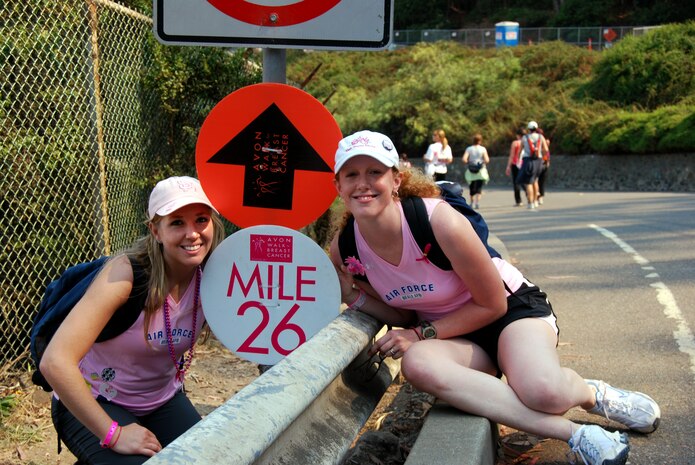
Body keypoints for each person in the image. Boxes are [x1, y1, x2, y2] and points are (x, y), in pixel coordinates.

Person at [329, 130, 661, 465]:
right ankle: (578, 435)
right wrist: (350, 294)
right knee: (417, 363)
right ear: (338, 186)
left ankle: (592, 394)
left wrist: (419, 334)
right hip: (457, 337)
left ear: (396, 180)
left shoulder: (437, 220)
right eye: (352, 175)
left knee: (544, 392)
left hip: (510, 313)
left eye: (375, 172)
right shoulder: (345, 249)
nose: (363, 184)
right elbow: (400, 314)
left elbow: (493, 304)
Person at [40, 176, 226, 464]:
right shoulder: (126, 275)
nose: (192, 234)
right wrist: (114, 434)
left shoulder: (216, 277)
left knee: (211, 458)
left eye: (201, 219)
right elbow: (55, 361)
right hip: (97, 401)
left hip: (162, 400)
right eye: (177, 222)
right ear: (156, 231)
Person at [516, 121, 547, 209]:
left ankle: (530, 202)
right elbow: (545, 149)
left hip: (528, 160)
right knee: (535, 180)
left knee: (528, 182)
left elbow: (520, 150)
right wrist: (544, 158)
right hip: (538, 160)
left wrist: (518, 159)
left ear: (528, 129)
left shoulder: (525, 137)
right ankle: (536, 201)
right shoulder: (541, 137)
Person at [462, 133, 490, 209]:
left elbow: (464, 159)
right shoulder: (483, 149)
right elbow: (487, 160)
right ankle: (477, 203)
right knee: (479, 187)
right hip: (480, 170)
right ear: (480, 141)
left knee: (472, 187)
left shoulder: (469, 149)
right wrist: (482, 162)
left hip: (471, 170)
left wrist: (469, 162)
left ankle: (471, 202)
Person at [505, 129, 524, 207]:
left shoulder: (515, 143)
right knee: (526, 181)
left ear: (518, 135)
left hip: (515, 164)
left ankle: (518, 201)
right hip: (524, 163)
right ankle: (531, 197)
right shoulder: (526, 142)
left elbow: (512, 155)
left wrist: (508, 166)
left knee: (516, 182)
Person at [537, 128, 551, 205]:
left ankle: (539, 196)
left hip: (539, 162)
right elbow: (547, 153)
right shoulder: (545, 141)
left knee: (537, 181)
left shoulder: (537, 141)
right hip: (544, 162)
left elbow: (546, 152)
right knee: (541, 182)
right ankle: (540, 197)